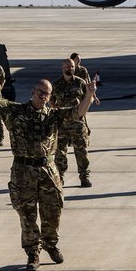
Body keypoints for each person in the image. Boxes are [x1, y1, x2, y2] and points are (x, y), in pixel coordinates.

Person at [0, 62, 95, 271]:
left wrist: (89, 96)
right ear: (33, 92)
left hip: (48, 170)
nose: (43, 96)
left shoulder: (54, 115)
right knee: (27, 215)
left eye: (47, 94)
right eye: (40, 92)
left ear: (50, 96)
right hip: (23, 171)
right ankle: (33, 253)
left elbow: (78, 112)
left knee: (53, 212)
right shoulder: (15, 111)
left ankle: (51, 244)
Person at [51, 58, 92, 188]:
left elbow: (88, 98)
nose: (71, 69)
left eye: (73, 67)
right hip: (62, 124)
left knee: (81, 151)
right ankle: (60, 177)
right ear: (62, 68)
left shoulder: (81, 83)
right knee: (60, 153)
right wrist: (55, 109)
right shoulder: (56, 84)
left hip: (77, 123)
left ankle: (84, 176)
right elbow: (50, 100)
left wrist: (83, 111)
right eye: (68, 67)